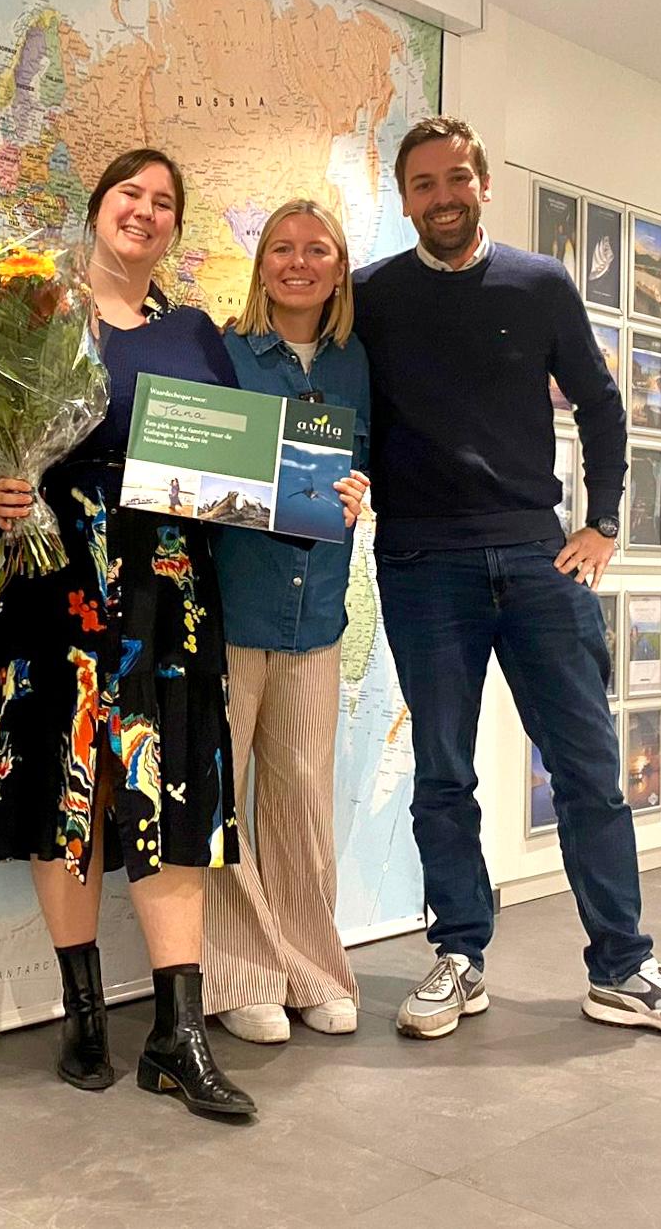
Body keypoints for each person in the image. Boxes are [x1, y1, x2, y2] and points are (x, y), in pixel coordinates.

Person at [353, 116, 661, 1048]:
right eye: (423, 184)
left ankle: (623, 968)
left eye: (457, 178)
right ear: (403, 197)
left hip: (537, 560)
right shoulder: (370, 296)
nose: (442, 197)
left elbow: (603, 406)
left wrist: (603, 522)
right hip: (420, 565)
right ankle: (459, 956)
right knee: (442, 775)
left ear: (483, 184)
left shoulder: (540, 285)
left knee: (588, 772)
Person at [0, 148, 255, 1117]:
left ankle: (177, 1033)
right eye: (131, 194)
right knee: (65, 783)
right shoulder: (34, 312)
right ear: (96, 207)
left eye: (164, 202)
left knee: (169, 785)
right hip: (53, 577)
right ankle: (82, 1012)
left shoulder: (196, 334)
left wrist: (310, 494)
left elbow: (235, 466)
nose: (146, 211)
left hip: (167, 585)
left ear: (174, 228)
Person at [202, 199, 370, 1044]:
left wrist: (359, 491)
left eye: (317, 250)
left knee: (302, 799)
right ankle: (242, 977)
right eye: (281, 249)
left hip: (316, 617)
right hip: (232, 608)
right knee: (219, 798)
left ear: (339, 270)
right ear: (260, 263)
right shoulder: (221, 353)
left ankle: (313, 969)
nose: (298, 263)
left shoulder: (357, 365)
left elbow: (366, 467)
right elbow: (191, 473)